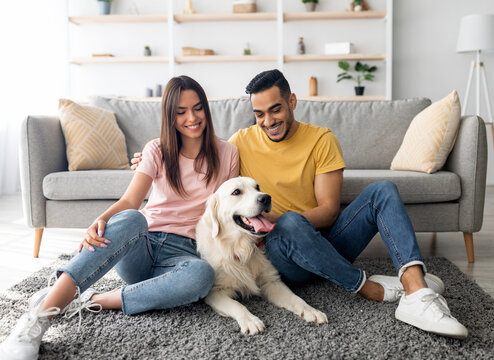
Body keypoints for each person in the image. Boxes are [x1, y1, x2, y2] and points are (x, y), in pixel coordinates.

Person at [129, 70, 469, 339]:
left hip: (322, 241)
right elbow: (204, 164)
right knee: (289, 224)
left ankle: (415, 290)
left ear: (291, 101)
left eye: (275, 109)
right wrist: (151, 157)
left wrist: (270, 218)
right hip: (277, 250)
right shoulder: (239, 144)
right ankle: (370, 288)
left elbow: (329, 211)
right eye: (258, 114)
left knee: (382, 189)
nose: (268, 120)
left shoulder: (322, 139)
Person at [0, 75, 239, 360]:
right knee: (131, 217)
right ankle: (37, 320)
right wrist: (98, 221)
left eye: (198, 108)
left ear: (206, 109)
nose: (192, 117)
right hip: (142, 245)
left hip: (185, 253)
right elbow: (129, 201)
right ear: (169, 116)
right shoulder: (157, 149)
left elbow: (230, 211)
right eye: (181, 111)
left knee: (202, 276)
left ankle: (90, 299)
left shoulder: (228, 153)